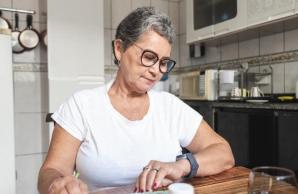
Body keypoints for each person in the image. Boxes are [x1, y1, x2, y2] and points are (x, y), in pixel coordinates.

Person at [38, 7, 234, 194]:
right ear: (119, 49)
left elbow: (223, 153)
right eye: (149, 57)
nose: (156, 70)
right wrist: (58, 184)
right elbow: (51, 170)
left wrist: (182, 166)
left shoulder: (170, 107)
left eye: (163, 62)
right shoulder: (82, 106)